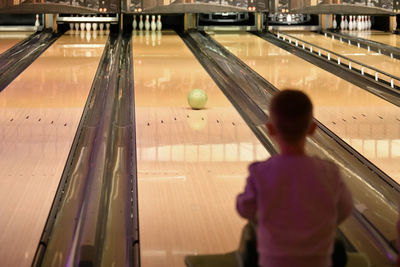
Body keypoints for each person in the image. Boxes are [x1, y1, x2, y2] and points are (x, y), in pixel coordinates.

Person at [236, 89, 353, 267]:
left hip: (272, 262)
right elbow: (345, 209)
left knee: (250, 234)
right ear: (313, 128)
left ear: (270, 129)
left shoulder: (260, 172)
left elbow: (245, 208)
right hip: (319, 262)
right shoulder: (330, 172)